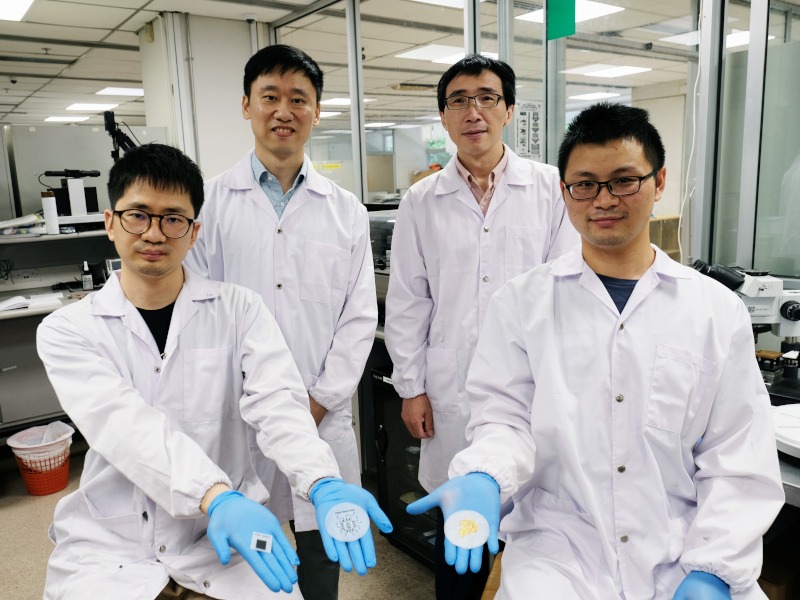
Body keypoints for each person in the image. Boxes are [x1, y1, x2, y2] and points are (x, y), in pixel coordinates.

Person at [407, 102, 785, 599]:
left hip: (681, 553)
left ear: (660, 181)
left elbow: (737, 456)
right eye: (584, 184)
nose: (603, 199)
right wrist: (484, 474)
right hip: (558, 554)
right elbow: (505, 420)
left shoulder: (714, 310)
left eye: (624, 180)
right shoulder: (522, 304)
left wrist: (713, 568)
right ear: (565, 192)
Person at [37, 143, 391, 600]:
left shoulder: (240, 309)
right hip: (114, 546)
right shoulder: (68, 329)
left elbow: (278, 404)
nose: (154, 232)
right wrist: (216, 495)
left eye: (173, 218)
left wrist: (321, 480)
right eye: (138, 215)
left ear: (194, 231)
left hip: (224, 542)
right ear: (111, 222)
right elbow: (125, 426)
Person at [184, 45, 377, 600]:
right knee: (245, 554)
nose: (283, 111)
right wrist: (258, 403)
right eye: (270, 96)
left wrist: (318, 400)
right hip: (237, 412)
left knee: (322, 545)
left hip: (323, 412)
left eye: (299, 99)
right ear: (247, 105)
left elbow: (359, 316)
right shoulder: (211, 204)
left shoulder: (347, 211)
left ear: (317, 111)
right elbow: (198, 307)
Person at [384, 54, 579, 599]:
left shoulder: (550, 189)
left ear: (509, 110)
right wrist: (412, 387)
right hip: (452, 390)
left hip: (535, 387)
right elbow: (408, 300)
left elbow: (566, 292)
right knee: (463, 541)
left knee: (539, 533)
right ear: (444, 118)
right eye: (458, 101)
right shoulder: (421, 200)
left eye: (487, 98)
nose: (473, 111)